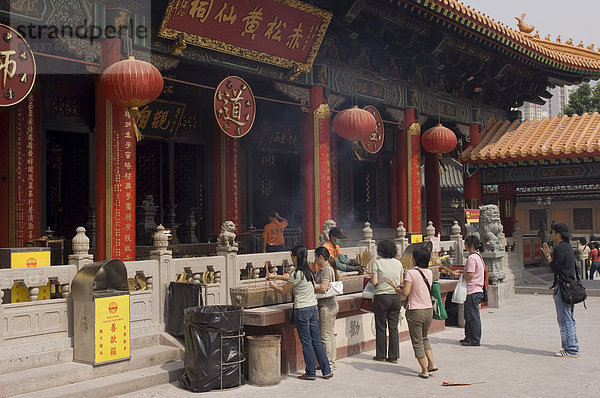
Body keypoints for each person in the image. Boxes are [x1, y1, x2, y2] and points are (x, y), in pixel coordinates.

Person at [268, 245, 333, 380]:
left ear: (295, 257)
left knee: (306, 342)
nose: (291, 258)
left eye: (292, 256)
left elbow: (284, 290)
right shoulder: (308, 272)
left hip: (302, 310)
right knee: (316, 340)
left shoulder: (297, 273)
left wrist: (273, 286)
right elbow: (291, 278)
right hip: (313, 308)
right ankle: (327, 371)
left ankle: (310, 373)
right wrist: (276, 276)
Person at [396, 243, 437, 379]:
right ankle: (431, 363)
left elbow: (406, 293)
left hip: (415, 310)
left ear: (415, 259)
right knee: (424, 337)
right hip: (428, 310)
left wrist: (398, 290)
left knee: (417, 341)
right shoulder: (429, 272)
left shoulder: (411, 273)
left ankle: (424, 369)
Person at [542, 223, 580, 358]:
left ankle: (570, 349)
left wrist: (548, 256)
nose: (551, 235)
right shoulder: (568, 247)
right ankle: (573, 345)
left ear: (558, 234)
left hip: (564, 288)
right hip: (569, 286)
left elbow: (556, 268)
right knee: (569, 318)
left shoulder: (560, 248)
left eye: (552, 232)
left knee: (564, 319)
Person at [371, 239, 404, 363]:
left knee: (381, 326)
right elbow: (401, 282)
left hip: (381, 297)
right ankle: (394, 356)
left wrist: (371, 280)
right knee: (393, 327)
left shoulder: (377, 263)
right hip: (395, 297)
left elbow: (374, 282)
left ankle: (381, 354)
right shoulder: (398, 264)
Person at [452, 235, 485, 346]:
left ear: (470, 245)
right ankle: (469, 337)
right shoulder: (478, 257)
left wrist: (461, 276)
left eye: (465, 244)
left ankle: (475, 339)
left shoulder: (471, 258)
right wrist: (461, 273)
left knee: (473, 316)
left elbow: (470, 275)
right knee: (469, 316)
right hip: (477, 289)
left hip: (473, 290)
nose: (464, 246)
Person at [313, 246, 340, 369]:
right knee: (329, 334)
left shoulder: (326, 270)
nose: (314, 260)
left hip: (327, 305)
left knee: (325, 335)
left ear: (320, 257)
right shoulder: (324, 269)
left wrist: (311, 286)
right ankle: (330, 361)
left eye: (315, 257)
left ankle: (329, 363)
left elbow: (324, 288)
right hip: (329, 305)